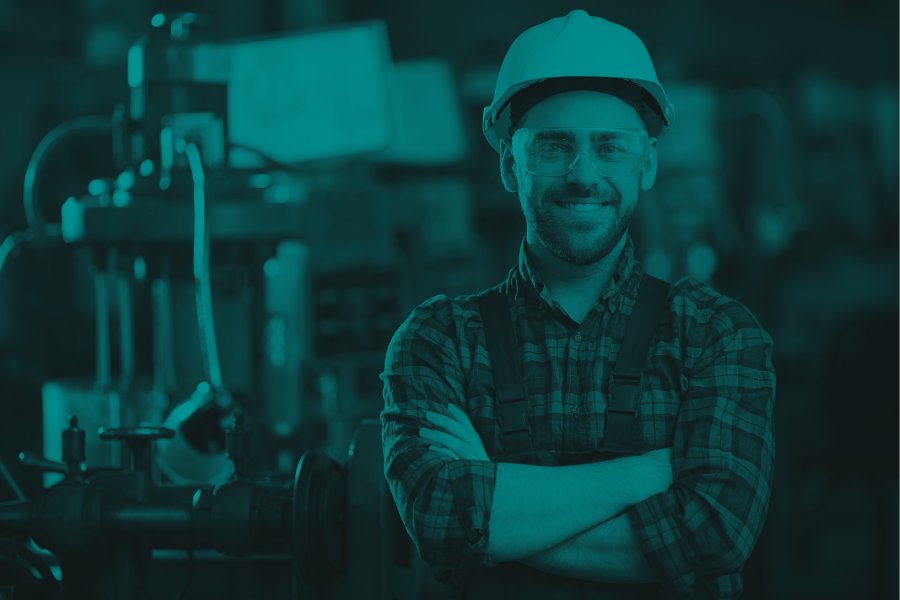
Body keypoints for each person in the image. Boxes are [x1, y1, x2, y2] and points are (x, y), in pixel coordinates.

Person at [381, 10, 776, 600]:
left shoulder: (717, 334)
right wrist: (649, 474)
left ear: (646, 166)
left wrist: (495, 505)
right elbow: (440, 520)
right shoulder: (439, 339)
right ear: (510, 165)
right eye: (553, 146)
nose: (583, 175)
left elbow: (714, 535)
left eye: (610, 147)